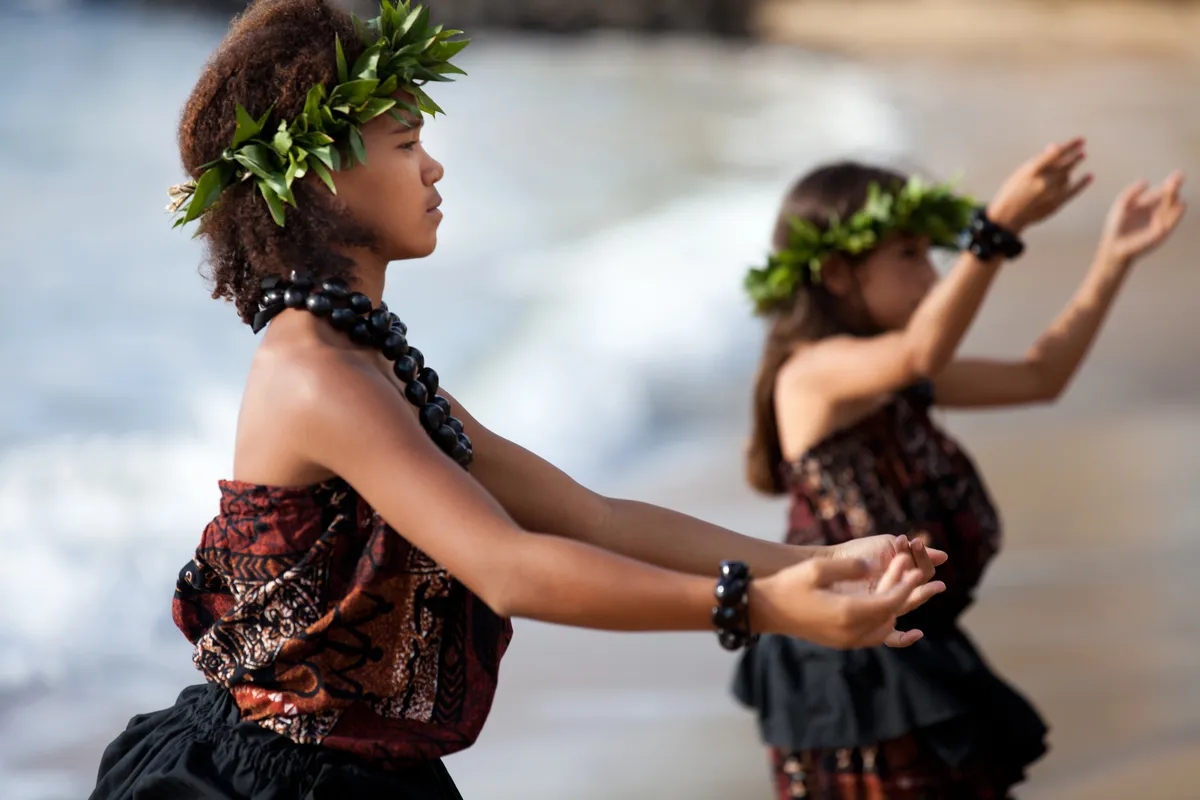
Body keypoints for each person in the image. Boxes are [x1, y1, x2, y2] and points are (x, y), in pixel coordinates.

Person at [88, 2, 949, 798]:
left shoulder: (374, 363)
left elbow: (589, 516)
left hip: (361, 773)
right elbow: (507, 567)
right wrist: (759, 609)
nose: (433, 166)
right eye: (403, 142)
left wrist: (813, 566)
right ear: (318, 181)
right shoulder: (315, 374)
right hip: (274, 783)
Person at [733, 147, 1185, 799]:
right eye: (909, 256)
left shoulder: (891, 376)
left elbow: (1040, 377)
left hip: (916, 645)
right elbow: (923, 348)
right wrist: (994, 230)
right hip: (851, 668)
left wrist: (1113, 261)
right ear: (836, 273)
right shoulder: (815, 373)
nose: (933, 274)